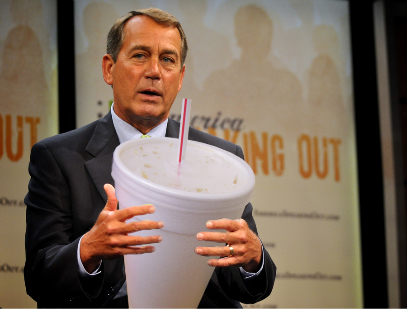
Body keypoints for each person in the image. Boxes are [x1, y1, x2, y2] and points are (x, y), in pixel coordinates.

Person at [24, 7, 276, 308]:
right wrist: (88, 250)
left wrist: (254, 258)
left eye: (168, 59)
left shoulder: (220, 158)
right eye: (140, 55)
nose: (154, 71)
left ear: (180, 77)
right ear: (109, 68)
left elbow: (250, 286)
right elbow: (39, 275)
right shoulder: (58, 157)